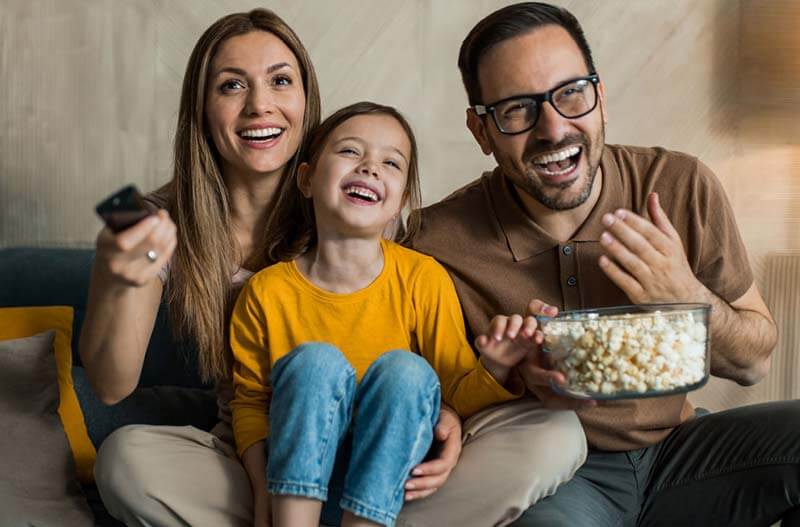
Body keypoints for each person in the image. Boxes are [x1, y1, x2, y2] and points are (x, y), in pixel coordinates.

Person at [408, 2, 800, 526]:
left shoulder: (679, 184)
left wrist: (688, 296)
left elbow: (754, 363)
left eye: (571, 94)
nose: (553, 129)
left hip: (683, 451)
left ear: (601, 100)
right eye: (517, 109)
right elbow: (428, 403)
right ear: (481, 132)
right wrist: (513, 380)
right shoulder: (435, 241)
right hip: (561, 477)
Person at [79, 10, 458, 527]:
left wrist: (449, 416)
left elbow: (422, 368)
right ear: (202, 109)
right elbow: (110, 387)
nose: (260, 105)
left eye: (280, 81)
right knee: (125, 459)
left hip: (376, 451)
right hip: (258, 455)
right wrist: (119, 274)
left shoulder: (352, 197)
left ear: (306, 100)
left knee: (538, 436)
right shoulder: (152, 224)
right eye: (232, 85)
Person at [228, 101, 547, 527]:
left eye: (391, 163)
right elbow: (249, 404)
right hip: (293, 478)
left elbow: (454, 391)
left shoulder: (422, 278)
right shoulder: (266, 291)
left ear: (400, 202)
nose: (370, 168)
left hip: (390, 485)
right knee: (314, 363)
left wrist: (496, 365)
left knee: (407, 372)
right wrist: (259, 487)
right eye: (350, 152)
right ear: (306, 178)